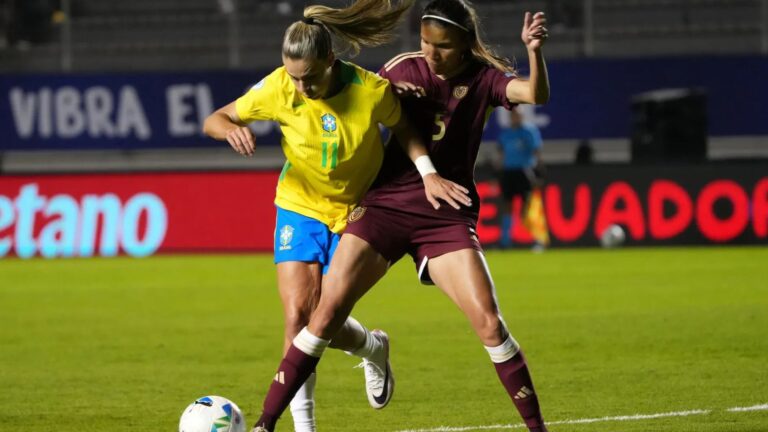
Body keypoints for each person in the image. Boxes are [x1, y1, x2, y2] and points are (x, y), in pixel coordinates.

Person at [250, 0, 550, 431]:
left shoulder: (485, 79)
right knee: (323, 313)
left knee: (489, 322)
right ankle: (265, 424)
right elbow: (358, 96)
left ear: (465, 43)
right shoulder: (403, 68)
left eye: (443, 46)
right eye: (426, 42)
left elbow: (534, 94)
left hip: (444, 213)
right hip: (384, 205)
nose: (431, 53)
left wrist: (534, 53)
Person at [202, 1, 469, 431]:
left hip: (357, 211)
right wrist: (231, 128)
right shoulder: (278, 88)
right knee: (297, 316)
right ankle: (305, 426)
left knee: (323, 319)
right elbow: (215, 119)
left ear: (329, 59)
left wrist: (427, 173)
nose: (300, 87)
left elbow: (404, 129)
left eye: (308, 76)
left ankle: (372, 348)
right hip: (299, 205)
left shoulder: (370, 91)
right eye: (293, 76)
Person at [496, 106, 546, 249]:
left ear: (522, 116)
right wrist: (497, 173)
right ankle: (505, 241)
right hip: (508, 172)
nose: (515, 117)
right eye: (513, 115)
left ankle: (537, 239)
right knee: (507, 206)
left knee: (528, 206)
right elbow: (501, 155)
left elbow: (537, 152)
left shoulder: (529, 131)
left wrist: (539, 173)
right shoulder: (505, 134)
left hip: (525, 172)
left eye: (517, 115)